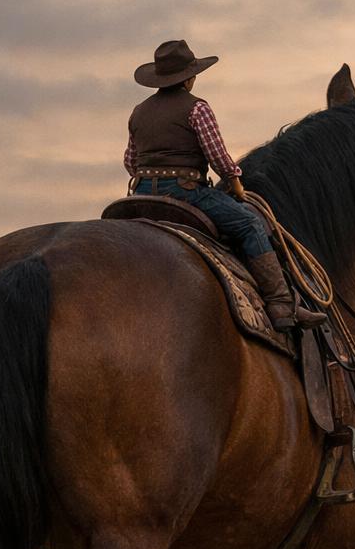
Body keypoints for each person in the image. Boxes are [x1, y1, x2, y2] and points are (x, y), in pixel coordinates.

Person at [125, 40, 326, 332]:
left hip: (141, 192)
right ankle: (281, 303)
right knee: (250, 224)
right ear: (189, 78)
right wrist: (234, 181)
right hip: (186, 191)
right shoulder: (197, 108)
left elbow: (130, 161)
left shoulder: (139, 112)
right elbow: (217, 156)